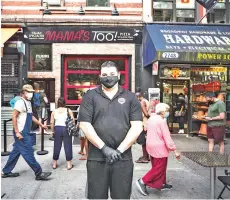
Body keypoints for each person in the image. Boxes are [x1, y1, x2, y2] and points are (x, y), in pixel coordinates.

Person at [79, 61, 143, 199]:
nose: (109, 77)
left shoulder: (130, 97)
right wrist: (104, 148)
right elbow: (84, 125)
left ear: (119, 76)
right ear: (100, 76)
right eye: (105, 74)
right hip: (97, 158)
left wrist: (119, 150)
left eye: (112, 74)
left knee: (122, 197)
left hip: (123, 159)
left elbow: (137, 126)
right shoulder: (90, 96)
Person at [1, 84, 52, 180]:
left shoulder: (27, 102)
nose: (31, 94)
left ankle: (5, 171)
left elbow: (31, 116)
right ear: (23, 92)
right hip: (21, 132)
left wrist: (41, 125)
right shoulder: (20, 102)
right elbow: (14, 116)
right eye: (29, 92)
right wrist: (17, 132)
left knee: (15, 152)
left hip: (25, 131)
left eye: (32, 92)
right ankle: (39, 173)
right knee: (28, 153)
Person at [136, 103, 180, 196]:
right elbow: (167, 137)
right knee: (159, 168)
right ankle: (142, 181)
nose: (168, 112)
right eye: (167, 110)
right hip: (159, 147)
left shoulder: (151, 118)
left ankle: (162, 183)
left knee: (158, 165)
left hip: (151, 145)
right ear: (163, 111)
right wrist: (174, 149)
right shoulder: (161, 121)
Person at [50, 97, 74, 170]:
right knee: (68, 146)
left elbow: (51, 122)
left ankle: (54, 163)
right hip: (66, 129)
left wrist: (53, 131)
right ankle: (69, 164)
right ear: (64, 103)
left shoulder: (54, 111)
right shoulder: (68, 110)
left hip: (57, 129)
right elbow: (72, 120)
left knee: (57, 146)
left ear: (58, 103)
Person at [135, 91, 150, 163]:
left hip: (144, 123)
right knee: (146, 141)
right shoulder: (146, 101)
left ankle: (145, 158)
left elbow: (146, 114)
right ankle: (146, 156)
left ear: (138, 97)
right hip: (147, 123)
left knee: (143, 142)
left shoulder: (142, 102)